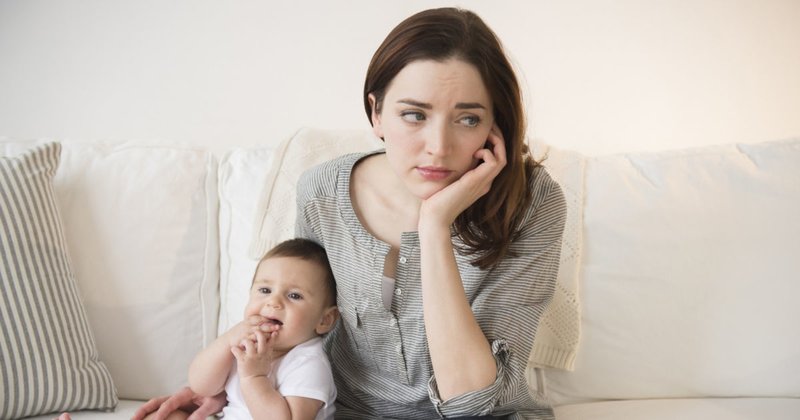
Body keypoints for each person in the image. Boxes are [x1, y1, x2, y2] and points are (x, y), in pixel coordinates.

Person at [133, 7, 566, 420]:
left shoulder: (532, 203)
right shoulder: (322, 192)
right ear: (376, 113)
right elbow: (302, 325)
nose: (438, 145)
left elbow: (470, 399)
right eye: (414, 115)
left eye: (467, 119)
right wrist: (226, 388)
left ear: (496, 125)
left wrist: (433, 225)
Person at [142, 238, 338, 420]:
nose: (273, 302)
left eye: (294, 295)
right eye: (265, 290)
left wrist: (254, 377)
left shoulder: (308, 363)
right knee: (168, 417)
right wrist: (227, 342)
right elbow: (201, 385)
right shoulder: (247, 343)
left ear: (324, 320)